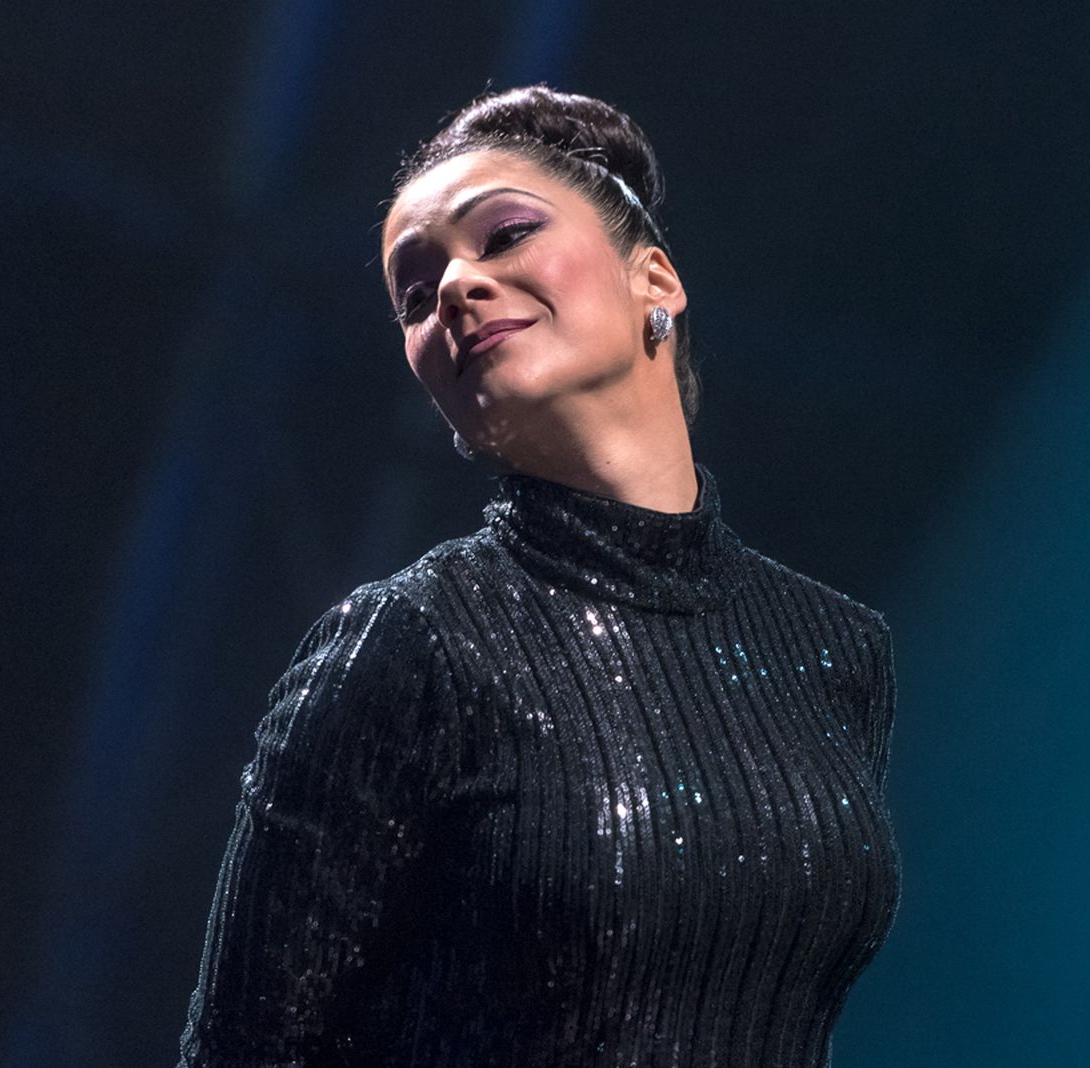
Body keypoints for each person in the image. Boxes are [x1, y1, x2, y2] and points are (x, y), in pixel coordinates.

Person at [177, 85, 900, 1068]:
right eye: (412, 291)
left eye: (504, 234)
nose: (454, 289)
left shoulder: (833, 649)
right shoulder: (411, 644)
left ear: (656, 280)